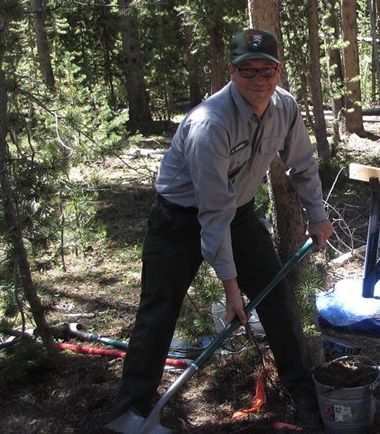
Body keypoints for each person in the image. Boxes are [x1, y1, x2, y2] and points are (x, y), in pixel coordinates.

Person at [107, 28, 334, 430]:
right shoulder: (210, 124)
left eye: (268, 71)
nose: (259, 80)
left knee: (278, 302)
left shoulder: (285, 107)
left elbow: (302, 165)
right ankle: (131, 411)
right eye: (248, 71)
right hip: (178, 219)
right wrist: (232, 291)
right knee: (158, 312)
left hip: (239, 213)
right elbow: (212, 215)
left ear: (279, 71)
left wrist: (317, 214)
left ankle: (303, 394)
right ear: (232, 71)